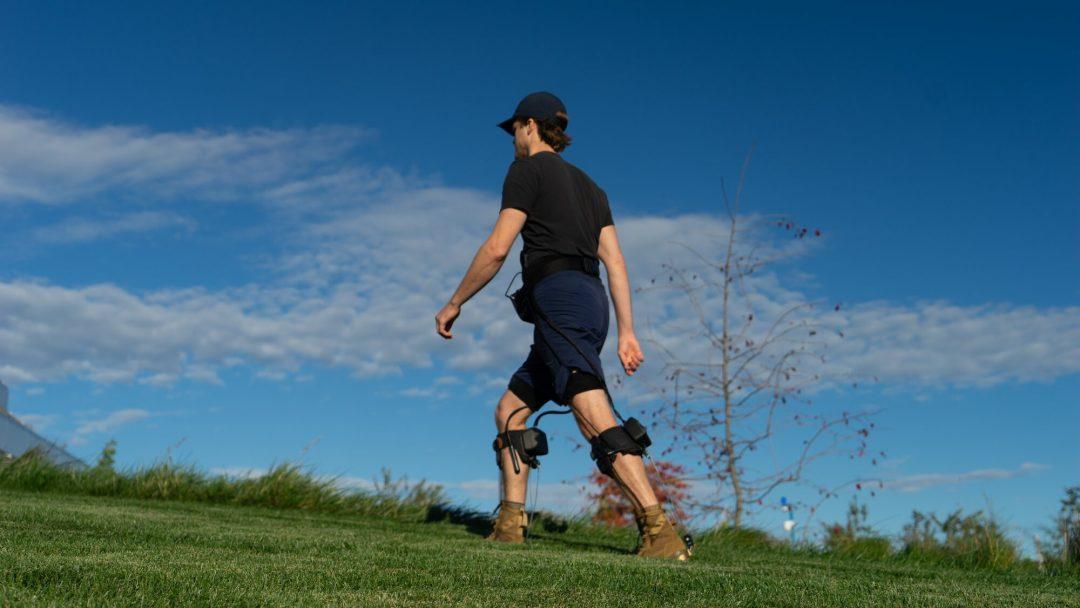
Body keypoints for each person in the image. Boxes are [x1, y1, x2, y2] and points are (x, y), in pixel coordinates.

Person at [435, 91, 690, 560]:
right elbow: (615, 262)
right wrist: (628, 332)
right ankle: (510, 525)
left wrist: (454, 303)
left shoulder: (526, 170)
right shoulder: (592, 188)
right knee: (511, 409)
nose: (512, 137)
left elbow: (497, 249)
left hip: (560, 300)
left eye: (514, 128)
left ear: (529, 125)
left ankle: (660, 531)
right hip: (589, 301)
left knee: (590, 406)